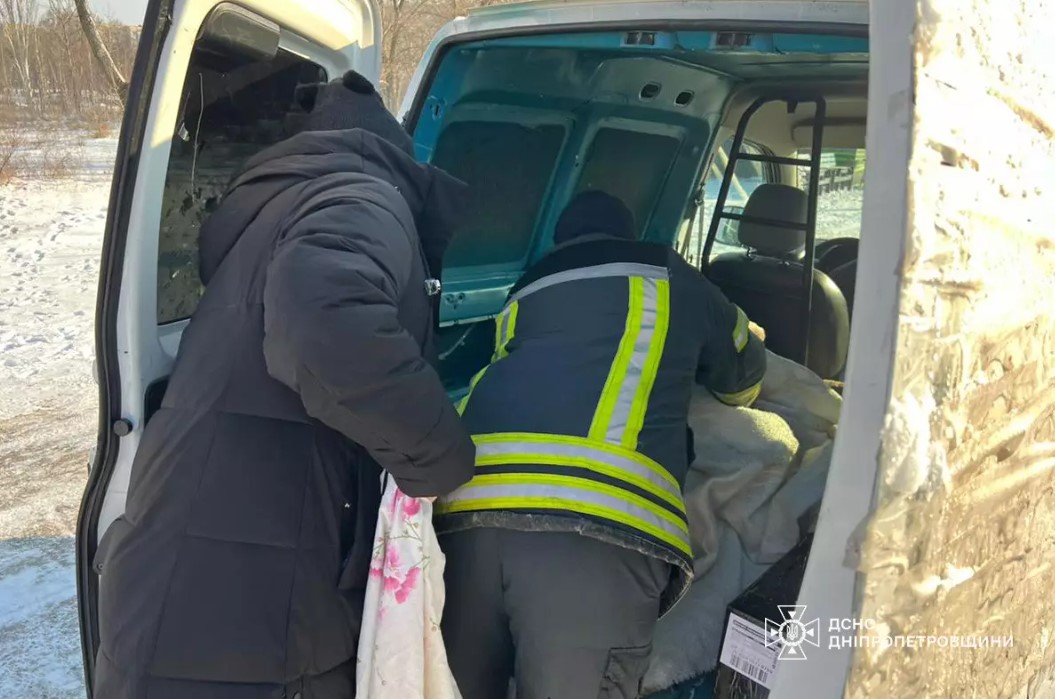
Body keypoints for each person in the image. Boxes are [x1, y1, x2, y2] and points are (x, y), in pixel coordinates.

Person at [93, 71, 476, 699]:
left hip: (184, 607)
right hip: (255, 635)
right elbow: (322, 319)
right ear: (399, 159)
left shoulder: (280, 212)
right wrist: (440, 454)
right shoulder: (362, 194)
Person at [436, 190, 767, 699]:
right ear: (628, 234)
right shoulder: (669, 273)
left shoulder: (524, 291)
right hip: (595, 529)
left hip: (466, 516)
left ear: (560, 242)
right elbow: (742, 376)